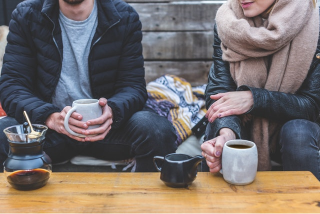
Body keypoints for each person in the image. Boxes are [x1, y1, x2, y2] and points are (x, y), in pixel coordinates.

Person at [0, 0, 177, 172]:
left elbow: (133, 86)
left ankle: (145, 200)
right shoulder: (27, 15)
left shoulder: (124, 16)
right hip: (49, 130)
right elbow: (12, 87)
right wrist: (50, 117)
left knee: (157, 130)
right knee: (3, 130)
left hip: (105, 130)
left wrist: (113, 112)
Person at [201, 0, 320, 180]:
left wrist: (254, 99)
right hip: (245, 127)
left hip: (294, 132)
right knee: (216, 130)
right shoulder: (228, 21)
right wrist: (226, 133)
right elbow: (220, 92)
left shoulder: (315, 22)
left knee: (298, 133)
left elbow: (312, 105)